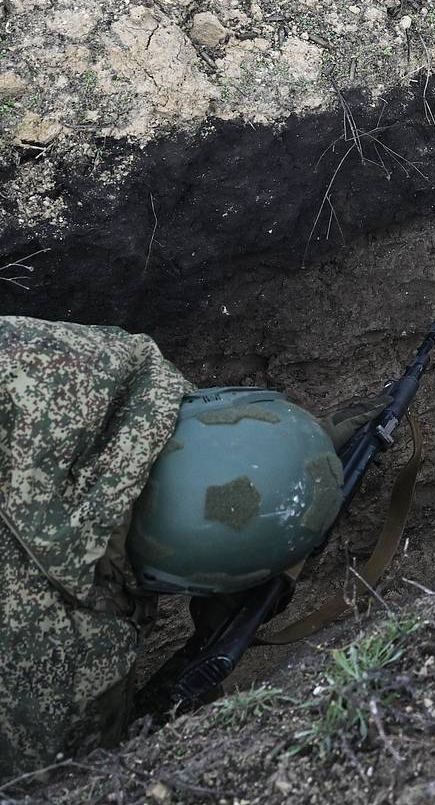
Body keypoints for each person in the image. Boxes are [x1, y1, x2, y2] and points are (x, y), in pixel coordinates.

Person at [0, 315, 349, 780]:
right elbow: (93, 778)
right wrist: (197, 658)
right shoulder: (66, 683)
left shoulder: (74, 359)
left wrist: (275, 450)